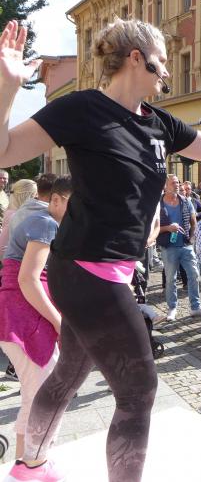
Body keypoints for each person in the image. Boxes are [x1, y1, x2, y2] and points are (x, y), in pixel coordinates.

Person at [0, 16, 201, 482]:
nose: (168, 71)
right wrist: (7, 86)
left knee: (70, 371)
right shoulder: (82, 109)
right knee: (139, 389)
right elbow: (4, 151)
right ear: (137, 59)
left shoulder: (159, 124)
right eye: (162, 61)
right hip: (83, 268)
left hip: (115, 268)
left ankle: (30, 465)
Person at [0, 176, 70, 460]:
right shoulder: (46, 223)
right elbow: (28, 279)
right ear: (56, 199)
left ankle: (26, 462)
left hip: (23, 315)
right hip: (25, 318)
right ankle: (33, 464)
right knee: (44, 396)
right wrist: (59, 323)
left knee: (35, 396)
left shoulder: (35, 216)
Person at [157, 174, 201, 321]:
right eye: (173, 183)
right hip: (168, 247)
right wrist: (168, 228)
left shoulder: (185, 201)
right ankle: (172, 308)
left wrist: (192, 238)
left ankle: (195, 307)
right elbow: (154, 227)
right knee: (171, 279)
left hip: (186, 245)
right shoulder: (158, 203)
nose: (176, 185)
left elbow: (194, 222)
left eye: (177, 182)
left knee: (194, 274)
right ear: (165, 186)